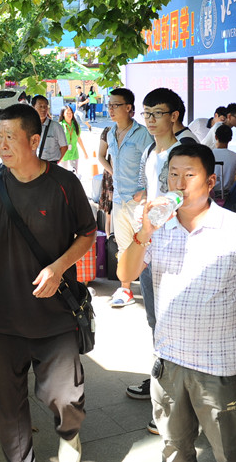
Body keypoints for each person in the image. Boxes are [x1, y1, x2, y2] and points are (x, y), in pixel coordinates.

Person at [118, 143, 236, 461]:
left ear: (210, 181)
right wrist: (144, 231)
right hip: (169, 363)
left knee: (229, 452)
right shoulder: (158, 227)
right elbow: (125, 273)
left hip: (218, 367)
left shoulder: (235, 228)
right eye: (173, 175)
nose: (179, 183)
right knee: (175, 448)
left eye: (189, 175)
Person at [0, 103, 95, 462]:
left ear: (34, 140)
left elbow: (87, 234)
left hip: (56, 315)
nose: (1, 144)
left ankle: (69, 436)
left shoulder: (64, 183)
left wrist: (59, 267)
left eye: (10, 136)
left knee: (65, 397)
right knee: (7, 404)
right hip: (4, 318)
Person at [126, 87, 191, 409]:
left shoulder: (184, 152)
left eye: (157, 114)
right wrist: (142, 210)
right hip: (151, 243)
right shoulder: (150, 150)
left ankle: (177, 391)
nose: (150, 120)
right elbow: (146, 190)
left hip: (178, 247)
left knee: (176, 318)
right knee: (155, 318)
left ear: (174, 116)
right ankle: (161, 377)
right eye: (147, 114)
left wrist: (153, 213)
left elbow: (186, 198)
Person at [102, 87, 153, 309]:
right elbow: (110, 161)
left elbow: (153, 164)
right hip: (119, 198)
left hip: (137, 200)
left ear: (129, 108)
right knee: (123, 245)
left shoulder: (142, 134)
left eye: (116, 105)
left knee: (145, 245)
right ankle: (125, 289)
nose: (111, 109)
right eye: (109, 105)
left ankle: (151, 290)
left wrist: (146, 190)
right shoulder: (110, 133)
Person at [31, 95, 69, 164]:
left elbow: (64, 147)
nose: (43, 109)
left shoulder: (56, 126)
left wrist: (56, 163)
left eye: (45, 106)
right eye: (40, 106)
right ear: (33, 108)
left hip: (50, 164)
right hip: (33, 164)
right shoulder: (29, 126)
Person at [212, 125, 236, 196]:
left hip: (210, 194)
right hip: (228, 195)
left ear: (216, 137)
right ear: (230, 139)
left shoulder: (208, 154)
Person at [58, 104, 87, 173]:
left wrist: (85, 152)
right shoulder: (60, 125)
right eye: (67, 113)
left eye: (70, 112)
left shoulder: (76, 124)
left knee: (74, 173)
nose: (69, 115)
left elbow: (79, 139)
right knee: (64, 174)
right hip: (63, 154)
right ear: (63, 114)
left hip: (74, 153)